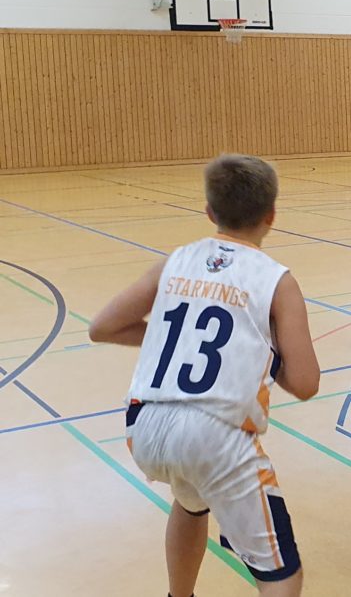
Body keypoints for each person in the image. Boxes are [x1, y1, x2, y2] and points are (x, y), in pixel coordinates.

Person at [88, 154, 321, 597]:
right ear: (272, 216)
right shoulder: (276, 280)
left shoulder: (175, 260)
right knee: (282, 574)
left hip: (145, 425)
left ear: (210, 212)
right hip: (214, 434)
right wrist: (258, 354)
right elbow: (307, 384)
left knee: (191, 502)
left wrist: (167, 338)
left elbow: (102, 327)